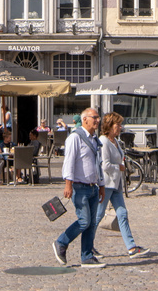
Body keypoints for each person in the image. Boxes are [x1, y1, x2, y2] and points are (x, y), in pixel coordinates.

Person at [52, 107, 106, 269]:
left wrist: (101, 185)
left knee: (91, 223)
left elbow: (99, 164)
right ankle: (61, 242)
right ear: (85, 119)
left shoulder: (95, 139)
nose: (97, 120)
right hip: (79, 186)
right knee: (84, 221)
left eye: (98, 117)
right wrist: (68, 184)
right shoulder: (75, 138)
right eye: (94, 117)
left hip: (93, 187)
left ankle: (87, 256)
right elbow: (69, 162)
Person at [99, 112, 148, 257]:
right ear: (110, 126)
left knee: (122, 213)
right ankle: (87, 245)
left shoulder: (115, 141)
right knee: (98, 215)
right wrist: (119, 167)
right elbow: (105, 165)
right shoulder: (104, 141)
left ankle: (131, 247)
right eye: (118, 125)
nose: (120, 127)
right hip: (107, 184)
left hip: (116, 184)